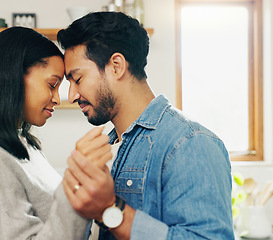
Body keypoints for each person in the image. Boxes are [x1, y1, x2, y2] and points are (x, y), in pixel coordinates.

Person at [57, 12, 235, 239]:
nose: (71, 96)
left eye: (78, 79)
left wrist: (110, 209)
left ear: (116, 66)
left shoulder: (191, 143)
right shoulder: (110, 146)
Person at [0, 27, 108, 240]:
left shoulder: (25, 146)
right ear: (13, 76)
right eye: (52, 84)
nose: (57, 98)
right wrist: (76, 183)